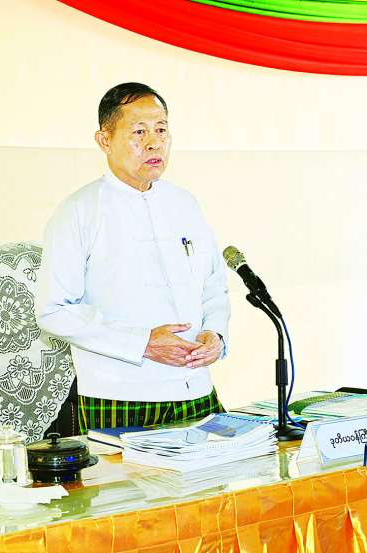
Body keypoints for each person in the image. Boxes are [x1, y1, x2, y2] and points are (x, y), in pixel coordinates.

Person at [38, 83, 230, 429]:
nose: (154, 143)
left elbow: (214, 284)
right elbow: (53, 311)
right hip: (121, 392)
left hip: (194, 386)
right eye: (139, 132)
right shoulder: (79, 211)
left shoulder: (185, 204)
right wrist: (142, 343)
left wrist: (216, 334)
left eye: (161, 130)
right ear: (104, 140)